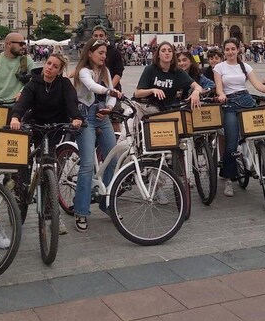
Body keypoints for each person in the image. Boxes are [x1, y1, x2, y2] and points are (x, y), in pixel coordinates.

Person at [10, 52, 82, 236]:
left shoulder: (64, 84)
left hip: (54, 127)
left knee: (50, 167)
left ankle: (51, 215)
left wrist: (76, 118)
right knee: (25, 160)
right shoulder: (34, 83)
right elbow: (23, 102)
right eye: (48, 63)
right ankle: (21, 187)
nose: (49, 67)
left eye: (55, 66)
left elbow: (72, 103)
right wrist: (16, 117)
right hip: (34, 125)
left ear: (59, 71)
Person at [214, 37, 265, 197]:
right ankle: (229, 179)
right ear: (224, 51)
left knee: (263, 135)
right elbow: (218, 88)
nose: (230, 52)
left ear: (238, 50)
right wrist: (221, 95)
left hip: (246, 99)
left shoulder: (245, 66)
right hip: (229, 103)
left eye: (233, 49)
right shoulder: (219, 67)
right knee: (231, 143)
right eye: (227, 49)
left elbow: (257, 85)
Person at [72, 39, 123, 232]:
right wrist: (111, 91)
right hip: (85, 118)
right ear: (90, 53)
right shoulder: (83, 71)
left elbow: (110, 95)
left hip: (103, 116)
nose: (103, 56)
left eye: (105, 53)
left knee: (112, 159)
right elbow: (93, 87)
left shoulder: (106, 71)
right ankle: (81, 211)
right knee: (86, 165)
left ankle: (107, 203)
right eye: (100, 52)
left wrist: (110, 107)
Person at [134, 42, 203, 110]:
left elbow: (198, 86)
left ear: (173, 54)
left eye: (170, 51)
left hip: (164, 110)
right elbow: (137, 93)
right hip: (145, 106)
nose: (167, 53)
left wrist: (196, 92)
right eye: (163, 51)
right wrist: (152, 90)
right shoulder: (150, 69)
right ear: (158, 55)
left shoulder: (178, 71)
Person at [0, 32, 35, 104]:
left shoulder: (26, 60)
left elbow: (36, 79)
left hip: (16, 107)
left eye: (24, 44)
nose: (24, 47)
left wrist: (23, 91)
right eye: (21, 44)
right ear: (9, 44)